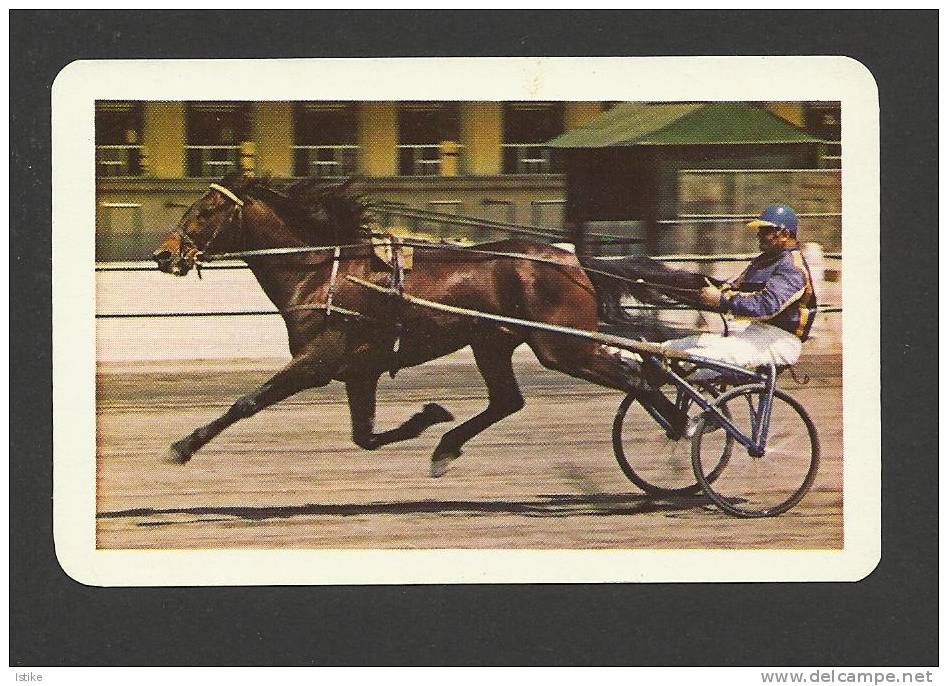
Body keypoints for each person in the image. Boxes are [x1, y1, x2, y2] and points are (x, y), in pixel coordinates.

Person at [663, 203, 818, 374]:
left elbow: (767, 306)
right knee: (677, 346)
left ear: (785, 234)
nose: (759, 235)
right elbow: (733, 287)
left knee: (694, 358)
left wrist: (722, 300)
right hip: (753, 333)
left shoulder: (793, 268)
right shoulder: (763, 261)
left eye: (765, 230)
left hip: (780, 341)